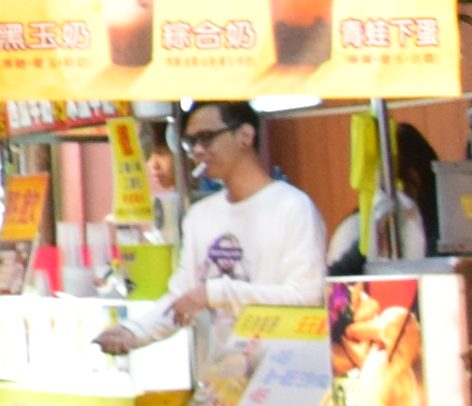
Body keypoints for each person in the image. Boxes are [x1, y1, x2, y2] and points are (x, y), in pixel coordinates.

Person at [102, 103, 332, 352]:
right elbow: (182, 296)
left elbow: (306, 297)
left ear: (245, 135)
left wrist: (215, 293)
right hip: (220, 379)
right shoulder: (200, 216)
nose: (198, 151)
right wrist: (133, 331)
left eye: (207, 138)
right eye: (191, 142)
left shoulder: (292, 206)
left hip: (282, 375)